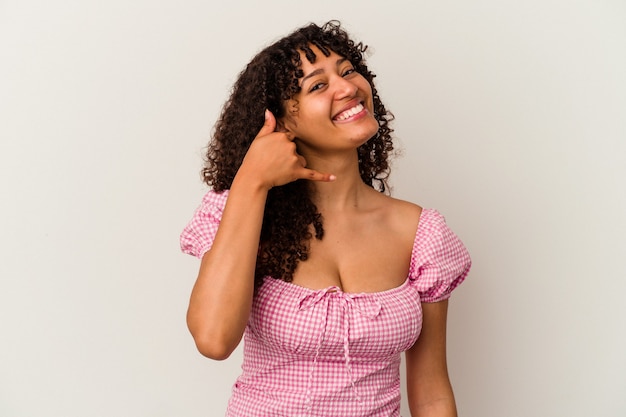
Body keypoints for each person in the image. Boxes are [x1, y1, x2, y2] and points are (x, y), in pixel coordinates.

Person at [180, 21, 471, 417]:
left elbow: (432, 391)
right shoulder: (241, 212)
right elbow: (213, 339)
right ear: (282, 123)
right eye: (318, 85)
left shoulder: (422, 234)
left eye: (348, 70)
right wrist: (251, 180)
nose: (348, 87)